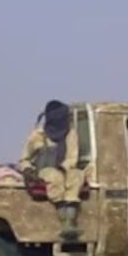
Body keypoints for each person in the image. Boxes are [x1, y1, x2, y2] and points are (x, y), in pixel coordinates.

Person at [19, 100, 84, 237]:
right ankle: (62, 221)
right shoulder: (38, 135)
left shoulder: (70, 133)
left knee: (77, 176)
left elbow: (73, 156)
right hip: (45, 171)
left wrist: (64, 167)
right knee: (55, 178)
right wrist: (27, 170)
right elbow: (24, 159)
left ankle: (70, 221)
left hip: (64, 168)